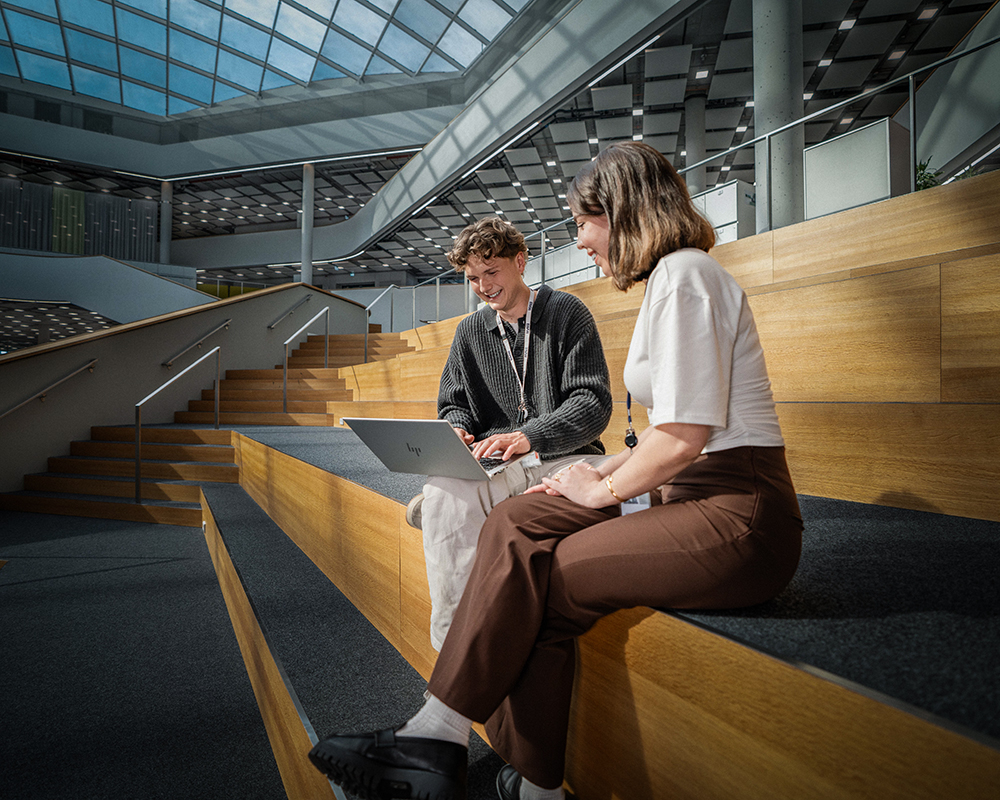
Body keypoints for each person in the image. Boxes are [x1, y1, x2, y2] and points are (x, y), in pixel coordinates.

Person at [308, 142, 803, 800]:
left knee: (542, 572)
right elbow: (669, 434)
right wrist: (605, 474)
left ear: (623, 213)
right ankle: (487, 760)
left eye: (584, 222)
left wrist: (600, 482)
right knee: (518, 527)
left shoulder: (686, 276)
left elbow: (685, 438)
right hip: (692, 493)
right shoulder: (672, 279)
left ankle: (455, 745)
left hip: (741, 516)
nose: (579, 239)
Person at [407, 215, 613, 651]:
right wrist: (458, 429)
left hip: (564, 455)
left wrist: (530, 436)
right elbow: (454, 403)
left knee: (447, 499)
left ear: (520, 261)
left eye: (492, 271)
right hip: (499, 462)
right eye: (473, 277)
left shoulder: (566, 312)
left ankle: (435, 510)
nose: (483, 286)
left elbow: (592, 404)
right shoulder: (469, 331)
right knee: (445, 485)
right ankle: (455, 651)